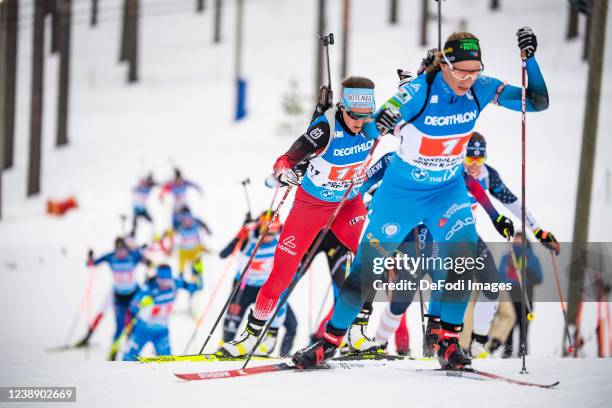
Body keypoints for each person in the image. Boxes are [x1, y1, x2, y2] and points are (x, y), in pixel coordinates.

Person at [293, 28, 549, 369]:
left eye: (474, 72)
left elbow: (537, 102)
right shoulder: (418, 92)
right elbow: (370, 130)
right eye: (460, 71)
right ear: (444, 64)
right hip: (401, 193)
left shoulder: (482, 89)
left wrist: (529, 60)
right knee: (367, 268)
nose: (467, 80)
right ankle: (329, 340)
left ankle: (447, 342)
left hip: (447, 191)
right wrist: (378, 121)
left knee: (463, 259)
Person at [219, 76, 380, 357]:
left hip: (348, 204)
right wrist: (286, 173)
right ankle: (250, 335)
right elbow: (284, 161)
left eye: (366, 117)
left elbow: (410, 117)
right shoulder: (324, 129)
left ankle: (357, 331)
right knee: (282, 272)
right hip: (311, 207)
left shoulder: (371, 125)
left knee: (369, 259)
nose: (360, 123)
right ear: (343, 108)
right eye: (355, 116)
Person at [462, 131, 559, 358]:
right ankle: (438, 339)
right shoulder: (449, 170)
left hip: (468, 235)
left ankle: (478, 342)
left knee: (491, 285)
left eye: (479, 159)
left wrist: (538, 231)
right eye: (469, 159)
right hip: (439, 233)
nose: (474, 165)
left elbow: (513, 203)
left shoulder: (488, 176)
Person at [218, 212, 296, 356]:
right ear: (259, 228)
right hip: (244, 287)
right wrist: (238, 237)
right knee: (231, 325)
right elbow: (223, 254)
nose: (268, 237)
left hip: (267, 289)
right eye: (265, 232)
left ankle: (284, 355)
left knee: (292, 324)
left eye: (272, 233)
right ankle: (223, 351)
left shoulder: (282, 237)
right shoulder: (249, 237)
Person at [123, 264, 201, 360]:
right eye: (161, 280)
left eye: (167, 280)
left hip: (161, 331)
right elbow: (132, 308)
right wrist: (140, 304)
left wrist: (198, 272)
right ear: (157, 278)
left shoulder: (175, 283)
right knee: (128, 358)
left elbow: (195, 287)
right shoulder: (149, 288)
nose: (164, 284)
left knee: (166, 359)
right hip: (143, 329)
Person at [88, 237, 152, 341]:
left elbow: (148, 262)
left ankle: (130, 347)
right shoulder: (110, 257)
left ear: (127, 249)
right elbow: (92, 264)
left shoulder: (133, 255)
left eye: (123, 250)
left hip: (133, 294)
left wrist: (147, 261)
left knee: (134, 323)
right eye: (118, 251)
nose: (121, 254)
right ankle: (111, 351)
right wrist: (90, 258)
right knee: (119, 325)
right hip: (119, 295)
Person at [498, 232, 543, 358]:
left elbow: (539, 278)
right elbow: (500, 276)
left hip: (526, 297)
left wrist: (527, 275)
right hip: (509, 297)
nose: (518, 244)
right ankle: (507, 353)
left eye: (520, 241)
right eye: (516, 241)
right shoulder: (506, 258)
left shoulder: (532, 258)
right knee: (508, 327)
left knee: (524, 327)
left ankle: (523, 353)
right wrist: (511, 282)